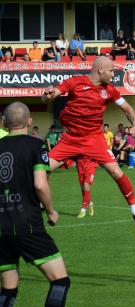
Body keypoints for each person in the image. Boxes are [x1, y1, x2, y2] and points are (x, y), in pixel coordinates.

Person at [41, 56, 135, 232]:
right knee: (41, 170)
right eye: (111, 70)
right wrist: (47, 95)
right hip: (71, 139)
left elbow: (128, 109)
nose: (113, 74)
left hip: (94, 139)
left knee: (116, 171)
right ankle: (42, 206)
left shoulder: (110, 90)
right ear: (100, 69)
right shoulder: (75, 82)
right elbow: (49, 97)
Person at [0, 102, 70, 306]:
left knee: (8, 289)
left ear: (4, 122)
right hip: (26, 223)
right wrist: (50, 212)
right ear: (30, 122)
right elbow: (41, 185)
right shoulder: (35, 145)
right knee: (60, 281)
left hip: (1, 226)